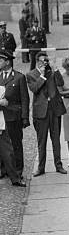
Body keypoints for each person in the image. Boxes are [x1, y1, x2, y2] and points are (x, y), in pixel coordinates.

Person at [26, 51, 67, 176]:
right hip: (41, 112)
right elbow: (34, 89)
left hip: (54, 110)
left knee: (56, 139)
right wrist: (42, 75)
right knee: (41, 141)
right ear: (37, 62)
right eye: (43, 61)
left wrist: (55, 69)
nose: (46, 63)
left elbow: (61, 83)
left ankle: (58, 165)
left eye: (47, 60)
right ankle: (41, 167)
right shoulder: (31, 74)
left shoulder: (52, 73)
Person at [0, 49, 29, 179]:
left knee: (16, 144)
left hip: (13, 117)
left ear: (7, 62)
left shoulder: (19, 77)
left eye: (0, 60)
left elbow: (24, 99)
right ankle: (4, 169)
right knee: (3, 145)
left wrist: (25, 118)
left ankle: (18, 170)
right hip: (1, 117)